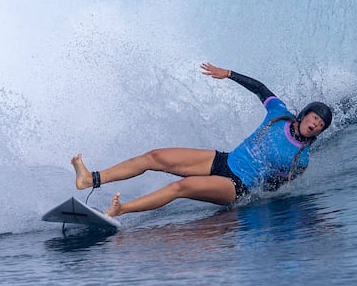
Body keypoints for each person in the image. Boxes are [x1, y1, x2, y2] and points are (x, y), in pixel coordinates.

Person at [71, 62, 333, 218]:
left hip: (236, 185)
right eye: (313, 118)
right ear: (304, 114)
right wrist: (228, 73)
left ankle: (122, 210)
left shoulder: (301, 158)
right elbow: (260, 88)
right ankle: (90, 179)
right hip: (225, 160)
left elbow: (276, 187)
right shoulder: (280, 114)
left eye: (319, 126)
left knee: (182, 187)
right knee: (155, 156)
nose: (314, 125)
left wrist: (249, 199)